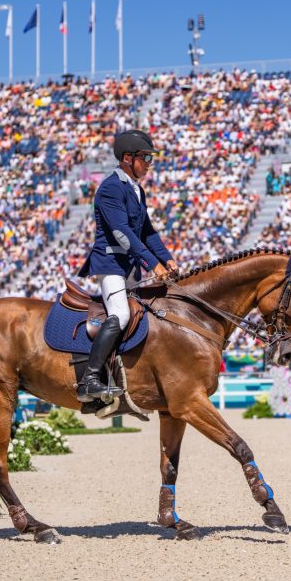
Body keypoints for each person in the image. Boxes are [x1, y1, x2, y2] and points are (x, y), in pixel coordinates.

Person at [76, 129, 178, 402]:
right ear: (126, 158)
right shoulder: (110, 188)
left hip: (130, 266)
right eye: (145, 158)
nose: (149, 163)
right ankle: (90, 379)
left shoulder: (136, 189)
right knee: (120, 314)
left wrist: (166, 258)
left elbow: (147, 232)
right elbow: (122, 233)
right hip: (110, 264)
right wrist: (152, 263)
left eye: (149, 158)